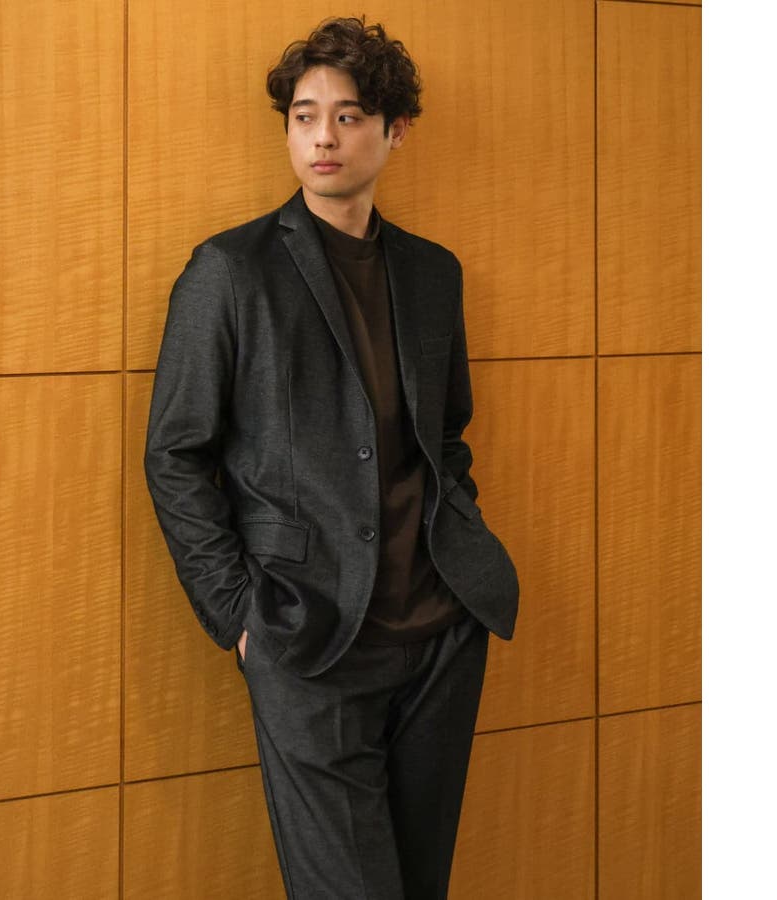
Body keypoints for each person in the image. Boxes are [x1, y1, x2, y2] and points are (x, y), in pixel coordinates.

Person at [145, 16, 519, 899]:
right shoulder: (229, 271)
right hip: (306, 638)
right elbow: (176, 453)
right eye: (304, 116)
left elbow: (446, 434)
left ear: (395, 130)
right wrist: (240, 616)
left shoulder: (433, 274)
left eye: (348, 117)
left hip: (439, 632)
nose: (323, 137)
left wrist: (456, 537)